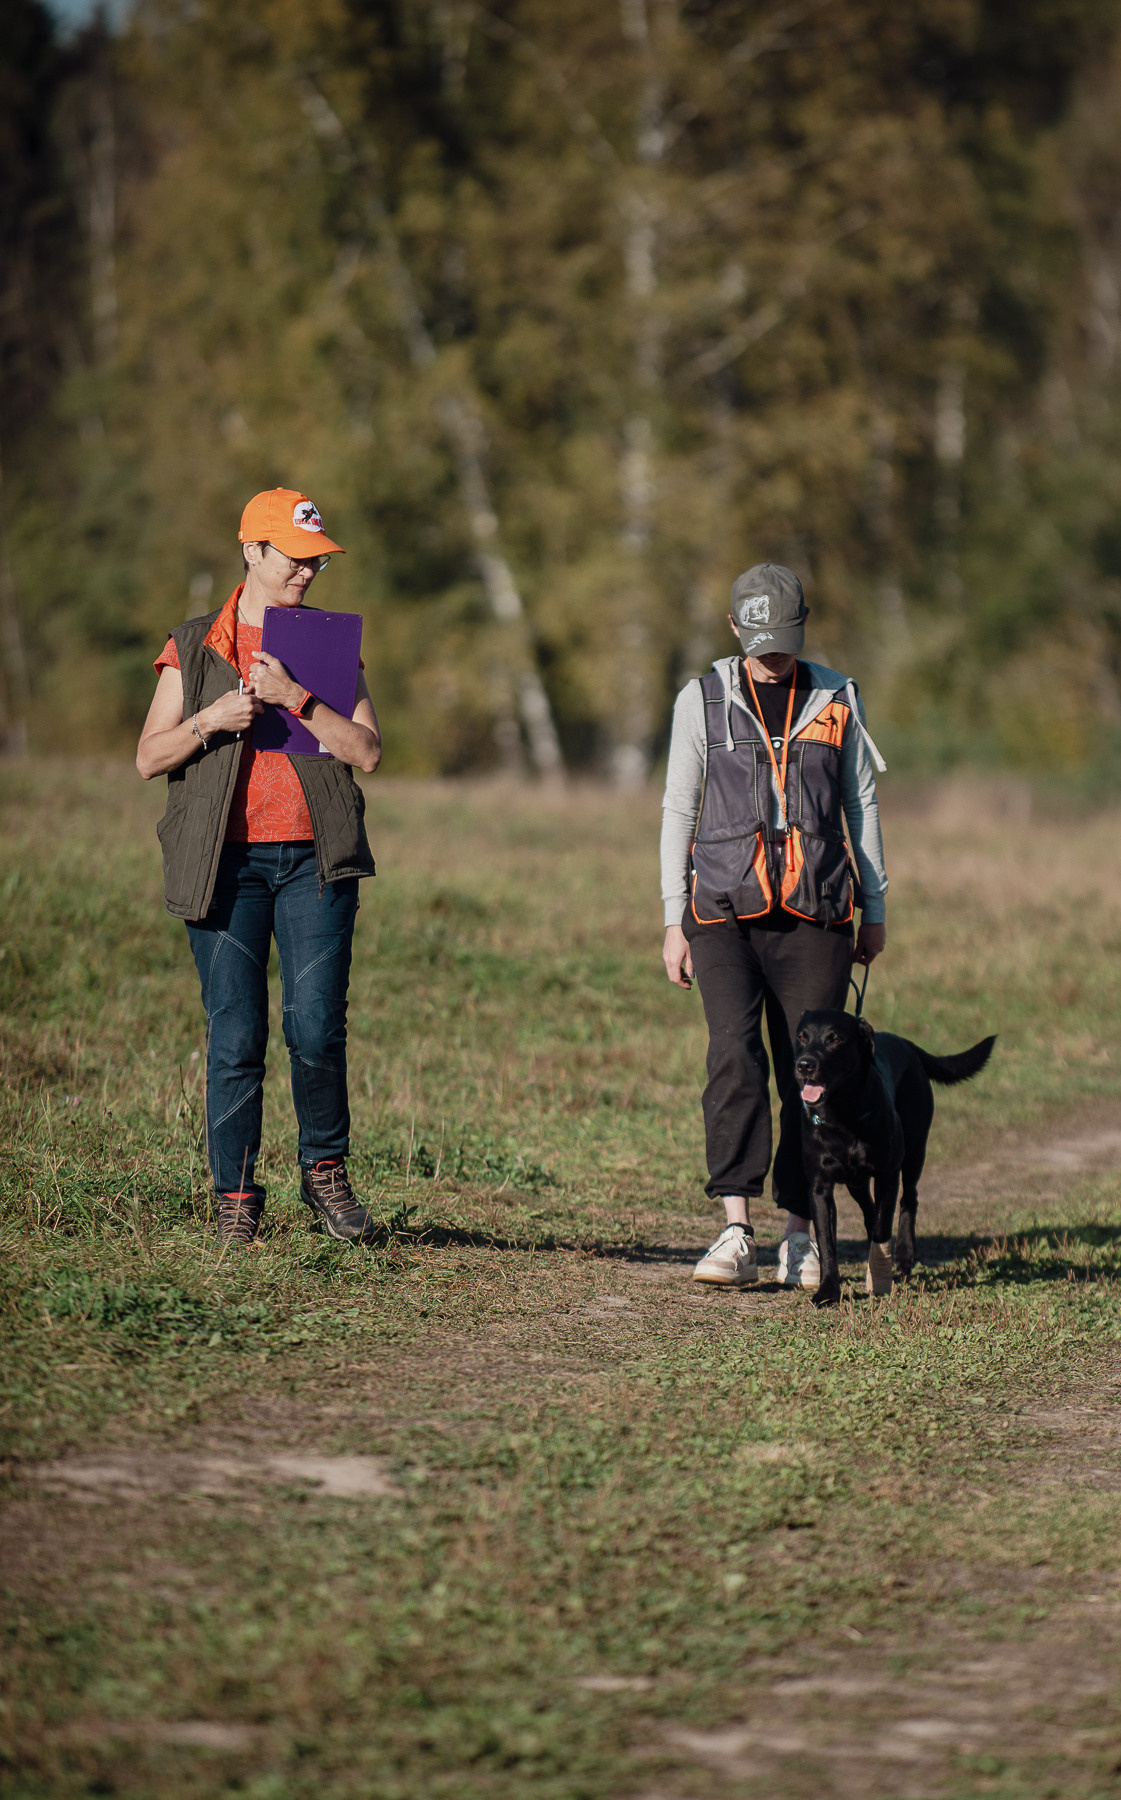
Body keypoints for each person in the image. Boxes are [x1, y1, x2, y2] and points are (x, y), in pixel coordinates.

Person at [137, 488, 381, 1248]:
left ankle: (325, 1176)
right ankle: (237, 1196)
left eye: (316, 561)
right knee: (235, 1034)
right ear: (252, 552)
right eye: (293, 558)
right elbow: (149, 757)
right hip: (225, 869)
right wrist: (210, 720)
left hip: (314, 862)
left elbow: (367, 750)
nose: (307, 572)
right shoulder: (195, 644)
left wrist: (295, 697)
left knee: (315, 1031)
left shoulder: (330, 646)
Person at [660, 562, 888, 1291]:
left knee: (811, 1075)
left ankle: (800, 1231)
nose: (771, 657)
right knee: (733, 1058)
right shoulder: (699, 700)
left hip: (818, 914)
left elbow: (861, 807)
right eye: (759, 643)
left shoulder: (835, 695)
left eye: (783, 642)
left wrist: (874, 908)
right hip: (720, 912)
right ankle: (734, 1229)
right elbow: (677, 810)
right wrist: (673, 917)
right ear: (733, 630)